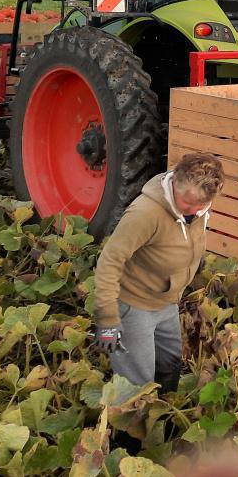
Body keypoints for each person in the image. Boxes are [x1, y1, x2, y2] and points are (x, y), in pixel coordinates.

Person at [90, 152, 224, 390]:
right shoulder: (144, 214)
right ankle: (129, 426)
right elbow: (109, 262)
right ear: (174, 183)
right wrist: (108, 318)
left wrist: (195, 264)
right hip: (134, 304)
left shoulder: (198, 208)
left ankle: (162, 419)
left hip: (167, 302)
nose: (192, 209)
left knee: (169, 365)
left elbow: (186, 235)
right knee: (136, 384)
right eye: (187, 202)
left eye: (200, 205)